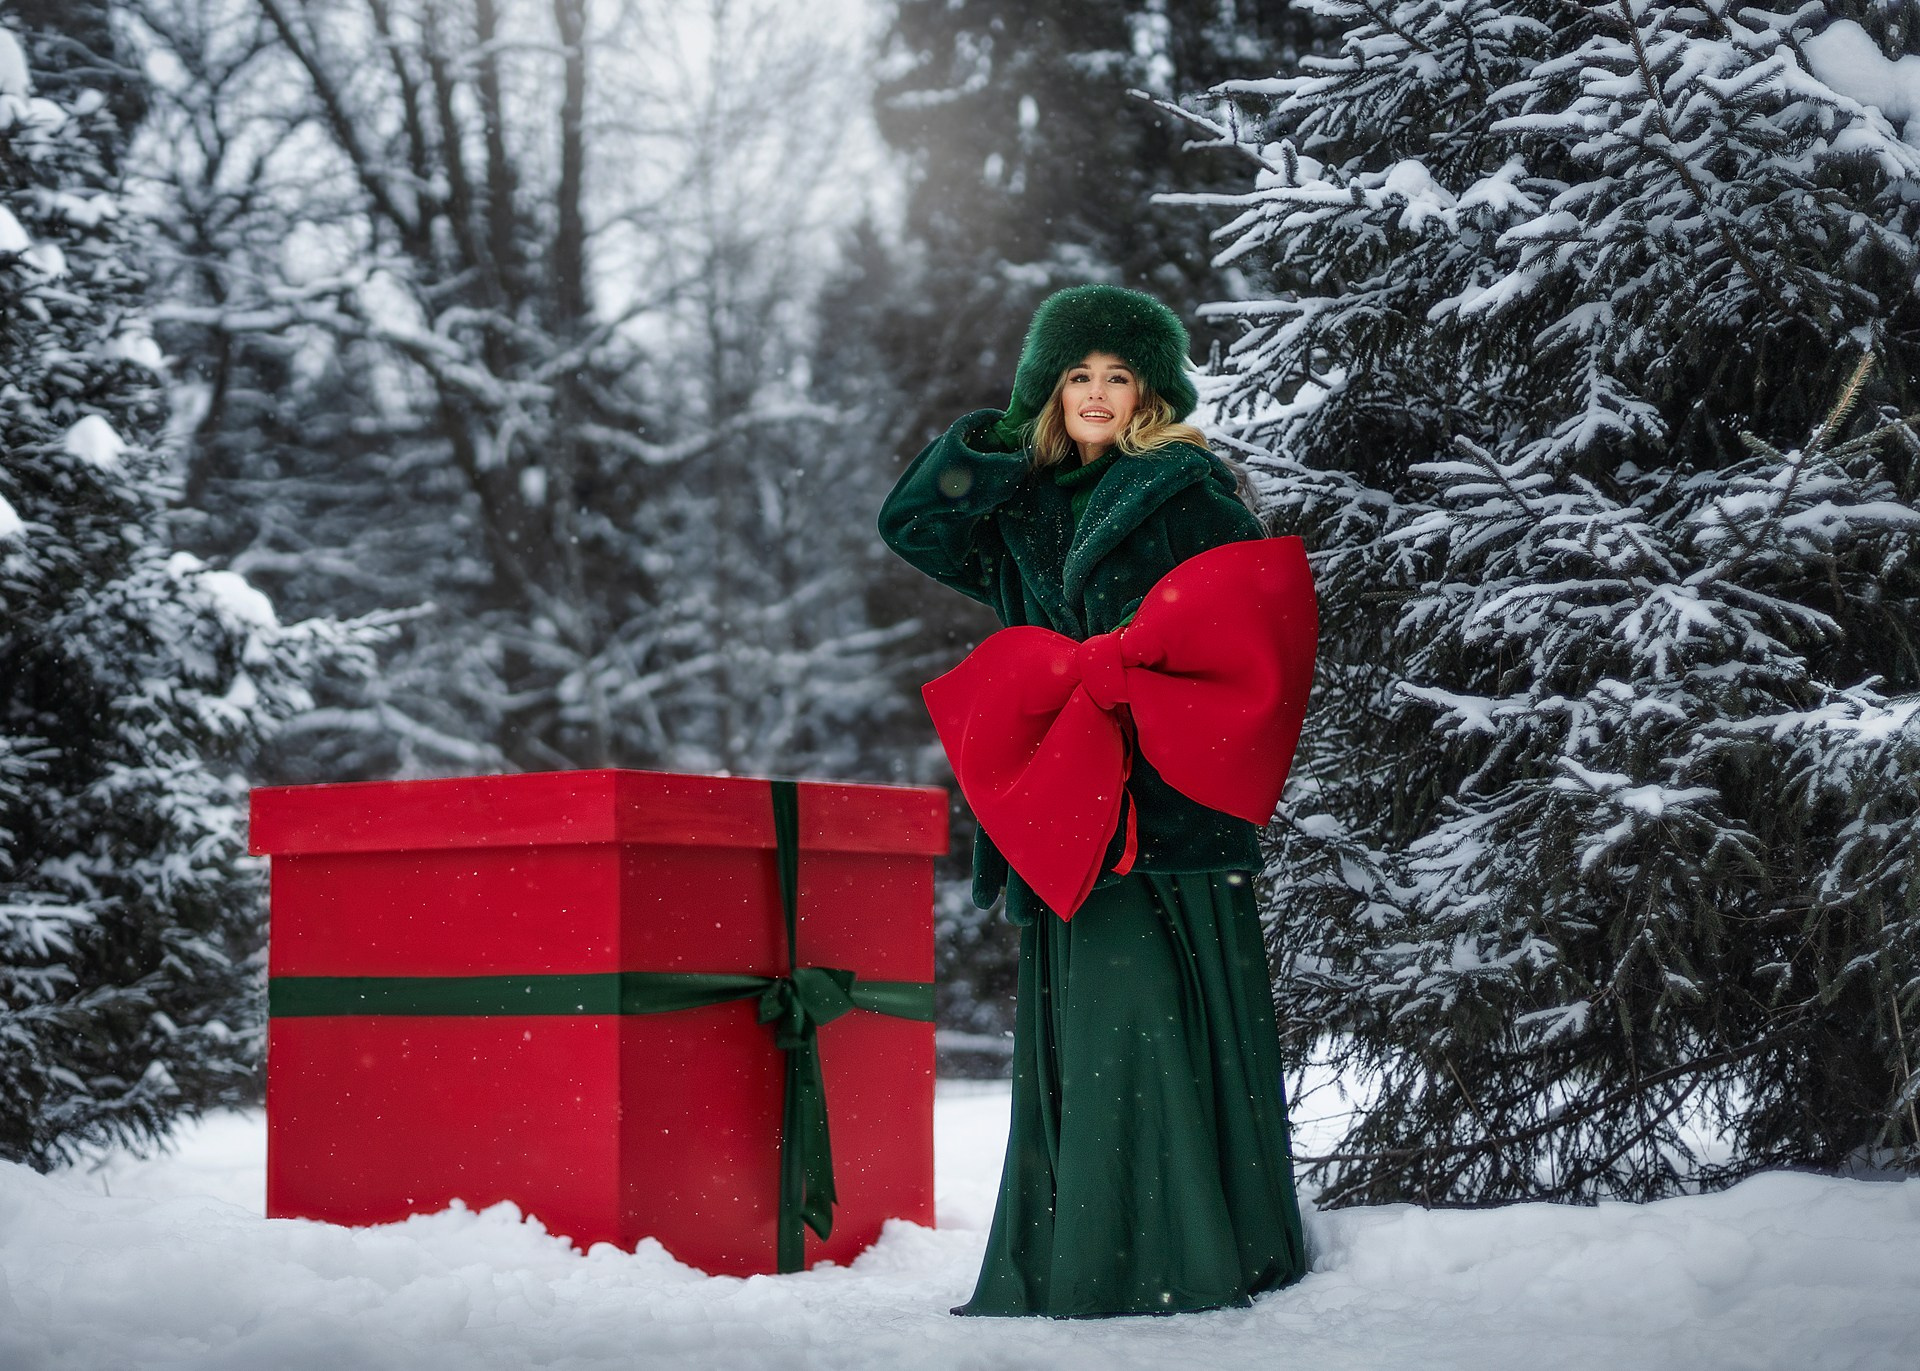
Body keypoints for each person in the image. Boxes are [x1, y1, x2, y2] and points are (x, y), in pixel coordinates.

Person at [877, 284, 1309, 1318]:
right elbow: (912, 523)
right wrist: (1000, 436)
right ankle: (1098, 1247)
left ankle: (1187, 1251)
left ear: (1151, 393)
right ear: (1051, 391)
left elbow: (1254, 637)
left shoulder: (1191, 493)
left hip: (1168, 804)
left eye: (1120, 375)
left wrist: (1142, 691)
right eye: (1076, 375)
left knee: (1152, 1018)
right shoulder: (1020, 509)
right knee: (1092, 1026)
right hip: (1065, 801)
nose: (1100, 393)